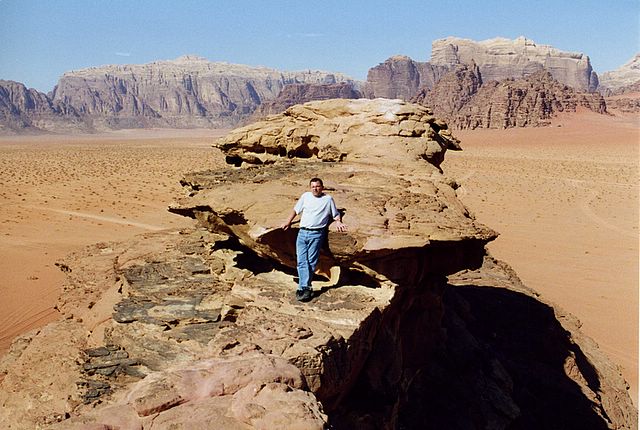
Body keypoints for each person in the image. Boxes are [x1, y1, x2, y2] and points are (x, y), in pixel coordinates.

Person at [281, 178, 347, 302]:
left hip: (316, 234)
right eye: (313, 187)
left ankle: (303, 288)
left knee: (311, 261)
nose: (315, 189)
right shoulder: (305, 196)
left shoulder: (327, 199)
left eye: (317, 186)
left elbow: (335, 214)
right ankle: (306, 287)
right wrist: (288, 222)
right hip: (302, 232)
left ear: (322, 187)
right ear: (310, 187)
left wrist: (338, 222)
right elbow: (296, 210)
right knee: (301, 261)